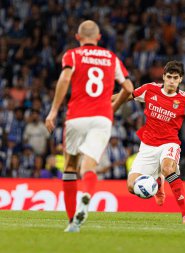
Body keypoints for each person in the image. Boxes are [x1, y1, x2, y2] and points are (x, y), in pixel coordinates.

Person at [45, 20, 134, 232]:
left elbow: (65, 79)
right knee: (89, 167)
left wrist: (54, 110)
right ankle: (87, 194)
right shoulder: (111, 58)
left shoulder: (72, 55)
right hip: (102, 118)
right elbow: (129, 88)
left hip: (76, 117)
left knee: (69, 166)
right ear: (99, 38)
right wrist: (114, 105)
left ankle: (71, 221)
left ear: (78, 37)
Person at [112, 60, 185, 224]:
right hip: (147, 146)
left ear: (181, 79)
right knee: (131, 186)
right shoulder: (150, 89)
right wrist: (103, 100)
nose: (171, 81)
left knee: (168, 168)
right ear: (163, 76)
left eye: (175, 78)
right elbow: (126, 95)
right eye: (169, 77)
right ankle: (158, 181)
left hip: (169, 144)